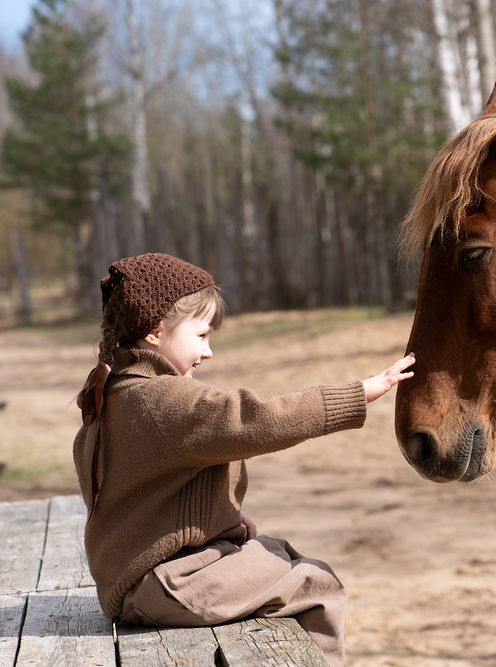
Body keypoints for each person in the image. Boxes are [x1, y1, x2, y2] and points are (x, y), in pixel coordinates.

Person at [73, 252, 414, 666]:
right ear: (155, 331)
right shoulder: (162, 398)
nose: (209, 351)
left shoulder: (114, 393)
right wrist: (359, 393)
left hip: (133, 581)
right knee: (317, 584)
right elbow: (254, 420)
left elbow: (143, 490)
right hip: (169, 583)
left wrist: (223, 517)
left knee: (277, 552)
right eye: (201, 336)